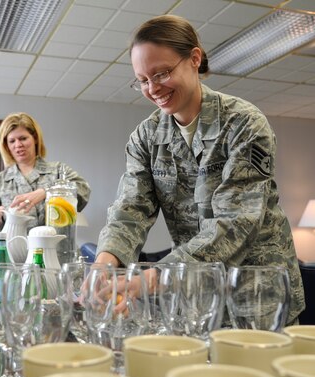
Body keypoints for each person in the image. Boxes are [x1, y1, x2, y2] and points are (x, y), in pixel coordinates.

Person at [95, 15, 305, 323]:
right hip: (195, 296)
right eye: (142, 80)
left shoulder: (243, 123)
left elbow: (236, 223)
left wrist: (152, 279)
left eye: (161, 73)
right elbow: (131, 208)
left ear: (194, 59)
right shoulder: (146, 137)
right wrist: (105, 262)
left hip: (256, 295)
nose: (152, 88)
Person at [0, 112, 91, 242]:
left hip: (56, 254)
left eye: (23, 138)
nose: (18, 145)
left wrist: (46, 192)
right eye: (12, 141)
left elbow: (84, 189)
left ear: (35, 138)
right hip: (16, 258)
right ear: (6, 146)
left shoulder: (58, 171)